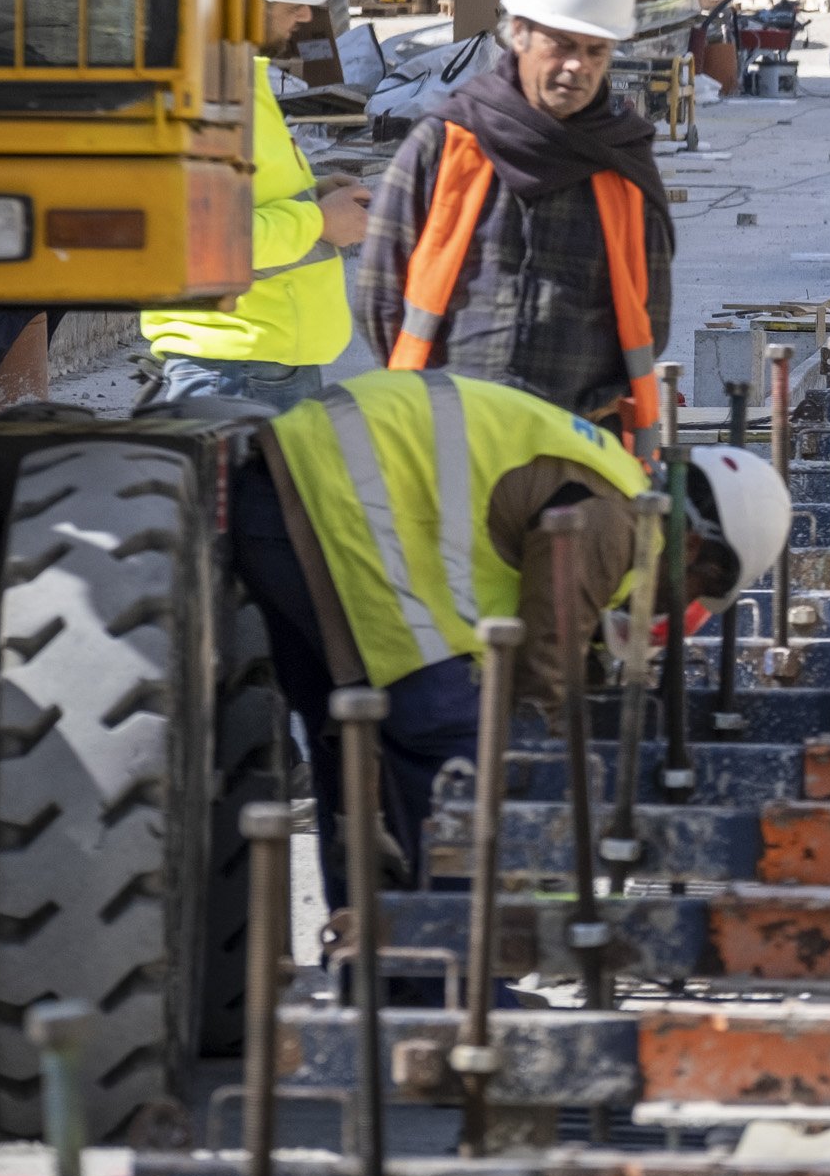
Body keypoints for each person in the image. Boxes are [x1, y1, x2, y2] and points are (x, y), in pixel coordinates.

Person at [229, 366, 790, 901]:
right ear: (696, 548)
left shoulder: (614, 483)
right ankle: (455, 965)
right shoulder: (615, 519)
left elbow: (546, 627)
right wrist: (537, 789)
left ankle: (385, 966)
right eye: (695, 589)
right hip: (331, 487)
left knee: (351, 749)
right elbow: (545, 656)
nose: (684, 603)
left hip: (290, 485)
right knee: (448, 734)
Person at [356, 0, 675, 447]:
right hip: (448, 435)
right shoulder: (445, 145)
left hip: (577, 440)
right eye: (563, 45)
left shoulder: (622, 164)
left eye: (596, 50)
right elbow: (380, 295)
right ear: (519, 34)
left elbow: (649, 316)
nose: (580, 66)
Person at [140, 0, 368, 408]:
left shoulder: (233, 77)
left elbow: (244, 197)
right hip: (239, 369)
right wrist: (317, 222)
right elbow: (200, 239)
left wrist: (316, 194)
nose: (305, 15)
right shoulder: (203, 91)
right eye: (291, 1)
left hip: (255, 361)